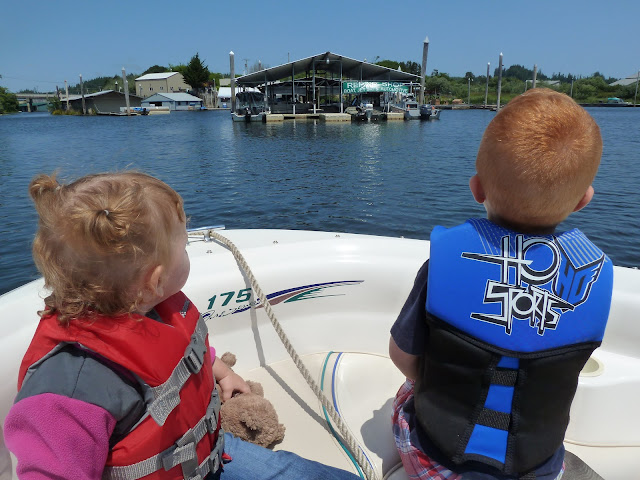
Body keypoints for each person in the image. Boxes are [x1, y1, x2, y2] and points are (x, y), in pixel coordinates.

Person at [4, 171, 360, 480]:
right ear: (155, 280)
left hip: (210, 454)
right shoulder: (68, 394)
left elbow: (179, 354)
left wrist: (221, 371)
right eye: (185, 246)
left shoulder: (153, 308)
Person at [389, 88, 613, 480]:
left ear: (477, 188)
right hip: (539, 466)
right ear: (584, 200)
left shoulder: (444, 264)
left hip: (439, 459)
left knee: (405, 393)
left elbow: (402, 356)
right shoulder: (595, 278)